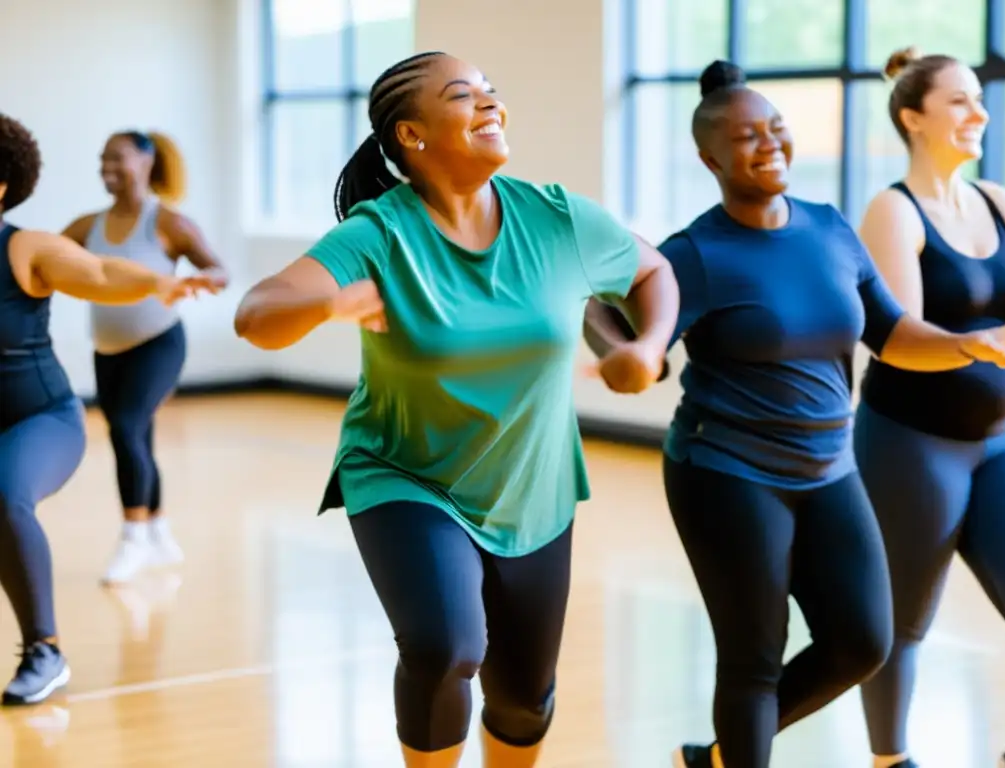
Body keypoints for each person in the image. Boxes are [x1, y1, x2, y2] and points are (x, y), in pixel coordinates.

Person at [233, 51, 679, 768]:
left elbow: (651, 268)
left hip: (531, 489)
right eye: (464, 96)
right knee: (446, 646)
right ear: (411, 135)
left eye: (492, 93)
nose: (490, 105)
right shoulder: (380, 234)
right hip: (405, 475)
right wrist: (334, 300)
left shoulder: (556, 218)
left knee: (523, 697)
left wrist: (650, 344)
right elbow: (257, 316)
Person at [582, 61, 1005, 768]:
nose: (769, 144)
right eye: (747, 137)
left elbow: (891, 332)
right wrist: (635, 350)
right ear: (709, 158)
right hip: (726, 469)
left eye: (776, 129)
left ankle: (719, 757)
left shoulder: (829, 229)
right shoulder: (698, 252)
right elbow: (604, 304)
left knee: (863, 640)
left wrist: (970, 344)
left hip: (827, 465)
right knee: (753, 657)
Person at [0, 112, 218, 705]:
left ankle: (45, 651)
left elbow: (98, 271)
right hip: (101, 356)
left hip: (39, 419)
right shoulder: (78, 225)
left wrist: (158, 284)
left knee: (8, 491)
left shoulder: (25, 248)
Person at [854, 47, 1005, 768]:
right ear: (912, 117)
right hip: (912, 443)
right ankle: (892, 760)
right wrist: (993, 341)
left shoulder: (1002, 201)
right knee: (902, 623)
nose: (977, 112)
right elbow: (901, 341)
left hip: (1002, 440)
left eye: (979, 99)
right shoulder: (893, 211)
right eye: (958, 100)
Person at [62, 130, 228, 586]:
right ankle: (157, 529)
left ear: (146, 162)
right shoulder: (86, 226)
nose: (107, 168)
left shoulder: (168, 223)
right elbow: (48, 258)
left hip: (158, 345)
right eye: (102, 160)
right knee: (137, 436)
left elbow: (218, 268)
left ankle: (133, 537)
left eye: (117, 158)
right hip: (107, 350)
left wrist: (202, 280)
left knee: (126, 430)